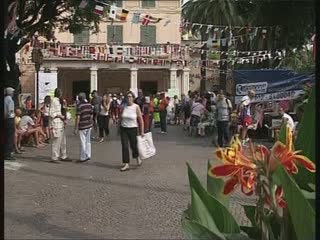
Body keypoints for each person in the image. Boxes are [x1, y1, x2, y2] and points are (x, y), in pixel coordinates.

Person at [119, 91, 144, 171]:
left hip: (133, 128)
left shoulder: (136, 107)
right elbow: (120, 118)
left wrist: (142, 131)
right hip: (124, 129)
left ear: (133, 98)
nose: (129, 98)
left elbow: (140, 120)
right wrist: (118, 128)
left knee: (133, 146)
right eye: (127, 97)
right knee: (125, 146)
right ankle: (126, 164)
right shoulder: (123, 107)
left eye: (130, 96)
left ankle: (137, 157)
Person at [49, 88, 68, 163]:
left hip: (61, 123)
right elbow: (51, 113)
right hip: (56, 123)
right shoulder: (53, 101)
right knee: (56, 141)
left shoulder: (61, 100)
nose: (61, 93)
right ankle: (54, 157)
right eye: (60, 92)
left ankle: (64, 155)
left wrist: (65, 106)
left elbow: (63, 110)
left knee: (63, 141)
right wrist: (59, 116)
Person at [74, 92, 93, 162]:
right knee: (88, 141)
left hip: (82, 125)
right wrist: (91, 122)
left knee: (83, 141)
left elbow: (78, 117)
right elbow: (91, 115)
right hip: (89, 125)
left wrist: (75, 128)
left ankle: (83, 157)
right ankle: (88, 155)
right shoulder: (89, 105)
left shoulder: (79, 106)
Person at [4, 87, 16, 160]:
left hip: (5, 119)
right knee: (10, 137)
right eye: (13, 92)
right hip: (9, 119)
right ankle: (8, 154)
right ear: (10, 92)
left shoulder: (5, 99)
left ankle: (6, 152)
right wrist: (12, 119)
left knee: (6, 136)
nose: (13, 93)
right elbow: (10, 111)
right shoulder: (10, 100)